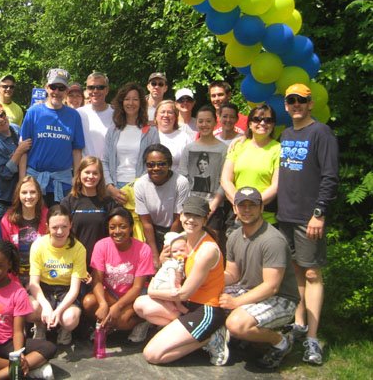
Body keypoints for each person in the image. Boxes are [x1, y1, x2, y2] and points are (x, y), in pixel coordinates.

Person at [277, 84, 339, 366]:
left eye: (301, 100)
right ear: (286, 105)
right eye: (291, 101)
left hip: (308, 217)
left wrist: (319, 213)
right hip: (285, 216)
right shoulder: (286, 134)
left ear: (310, 103)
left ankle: (313, 338)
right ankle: (299, 324)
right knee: (296, 271)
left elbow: (330, 177)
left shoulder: (321, 133)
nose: (296, 105)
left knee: (313, 273)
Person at [133, 196, 226, 365]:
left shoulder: (207, 250)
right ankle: (190, 334)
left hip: (206, 309)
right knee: (141, 304)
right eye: (188, 214)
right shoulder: (182, 238)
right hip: (187, 306)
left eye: (197, 216)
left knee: (152, 355)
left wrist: (153, 291)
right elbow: (168, 264)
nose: (191, 220)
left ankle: (209, 338)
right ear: (181, 216)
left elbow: (183, 294)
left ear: (206, 219)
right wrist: (163, 260)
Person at [219, 187, 300, 369]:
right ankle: (237, 339)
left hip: (281, 298)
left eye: (252, 205)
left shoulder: (272, 240)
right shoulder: (234, 236)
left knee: (236, 324)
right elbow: (232, 275)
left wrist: (235, 302)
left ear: (262, 208)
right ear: (235, 209)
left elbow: (271, 287)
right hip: (249, 290)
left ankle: (281, 341)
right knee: (208, 297)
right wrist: (205, 280)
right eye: (242, 205)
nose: (247, 210)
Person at [0, 240, 57, 380]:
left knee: (49, 347)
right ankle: (28, 367)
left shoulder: (18, 292)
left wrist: (18, 354)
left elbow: (18, 331)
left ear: (9, 264)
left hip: (10, 341)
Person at [82, 207, 155, 343]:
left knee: (120, 322)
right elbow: (97, 280)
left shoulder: (143, 249)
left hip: (134, 297)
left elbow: (137, 287)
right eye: (112, 227)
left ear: (131, 228)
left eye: (123, 227)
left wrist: (118, 307)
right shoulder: (101, 246)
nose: (117, 232)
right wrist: (103, 304)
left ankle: (142, 323)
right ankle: (108, 323)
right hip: (111, 293)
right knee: (88, 302)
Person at [19, 68, 85, 206]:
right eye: (53, 87)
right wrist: (22, 180)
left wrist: (76, 179)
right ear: (46, 88)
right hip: (35, 182)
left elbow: (77, 151)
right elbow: (24, 149)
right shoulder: (33, 112)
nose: (56, 92)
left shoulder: (74, 116)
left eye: (61, 88)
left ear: (66, 91)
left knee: (60, 225)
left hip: (63, 182)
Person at [29, 206, 87, 346]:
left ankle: (63, 328)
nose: (60, 232)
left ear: (70, 225)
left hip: (65, 291)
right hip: (44, 288)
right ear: (47, 226)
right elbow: (34, 284)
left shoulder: (79, 248)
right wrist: (46, 307)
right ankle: (40, 325)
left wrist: (59, 310)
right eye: (55, 227)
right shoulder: (38, 245)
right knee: (29, 308)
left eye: (64, 226)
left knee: (70, 319)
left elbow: (74, 289)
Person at [221, 104, 280, 224]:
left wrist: (254, 206)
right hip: (237, 215)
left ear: (273, 125)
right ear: (249, 124)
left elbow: (276, 185)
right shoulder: (238, 145)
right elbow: (225, 180)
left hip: (265, 218)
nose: (262, 123)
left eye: (268, 120)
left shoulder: (279, 149)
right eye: (257, 119)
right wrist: (239, 204)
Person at [102, 82, 159, 204]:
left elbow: (154, 163)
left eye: (135, 99)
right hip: (115, 189)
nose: (131, 103)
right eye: (127, 99)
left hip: (141, 189)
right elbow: (105, 161)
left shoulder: (151, 131)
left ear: (141, 103)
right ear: (122, 102)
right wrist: (110, 188)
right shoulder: (113, 130)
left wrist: (134, 187)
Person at [134, 144, 190, 268]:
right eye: (151, 165)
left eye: (161, 164)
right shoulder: (140, 185)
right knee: (154, 266)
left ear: (169, 164)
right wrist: (155, 256)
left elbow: (178, 219)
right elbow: (146, 223)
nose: (156, 168)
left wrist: (168, 249)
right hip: (152, 231)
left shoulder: (181, 182)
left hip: (175, 230)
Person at [178, 105, 227, 241]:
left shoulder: (224, 149)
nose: (204, 125)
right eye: (200, 121)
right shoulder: (189, 148)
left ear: (215, 122)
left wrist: (213, 205)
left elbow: (224, 180)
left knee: (212, 242)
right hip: (191, 207)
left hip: (214, 207)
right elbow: (182, 178)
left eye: (208, 121)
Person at [60, 156, 115, 268]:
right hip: (74, 262)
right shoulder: (68, 201)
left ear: (100, 176)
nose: (91, 176)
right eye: (87, 172)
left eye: (95, 173)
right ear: (79, 174)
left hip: (101, 263)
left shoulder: (108, 203)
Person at [0, 103, 32, 219]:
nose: (1, 120)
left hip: (22, 194)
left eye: (2, 114)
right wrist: (19, 151)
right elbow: (5, 173)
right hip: (4, 199)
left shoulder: (16, 129)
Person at [0, 177, 49, 286]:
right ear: (18, 195)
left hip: (43, 276)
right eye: (24, 192)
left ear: (39, 194)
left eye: (32, 192)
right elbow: (5, 252)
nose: (29, 196)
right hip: (15, 276)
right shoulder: (7, 219)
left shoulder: (48, 216)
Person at [148, 232, 189, 315]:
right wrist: (174, 287)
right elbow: (172, 276)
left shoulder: (183, 262)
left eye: (182, 250)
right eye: (174, 251)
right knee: (176, 289)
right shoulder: (171, 263)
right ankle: (177, 305)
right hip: (164, 284)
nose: (179, 253)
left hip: (169, 286)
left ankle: (173, 306)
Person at [77, 72, 114, 159]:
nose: (95, 91)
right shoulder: (79, 114)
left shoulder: (117, 114)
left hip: (110, 170)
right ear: (86, 90)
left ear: (107, 90)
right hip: (87, 170)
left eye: (100, 87)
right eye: (91, 87)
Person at [155, 100, 192, 172]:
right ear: (156, 116)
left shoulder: (184, 137)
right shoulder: (150, 135)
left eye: (170, 112)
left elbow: (191, 163)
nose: (166, 115)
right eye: (162, 112)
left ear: (175, 117)